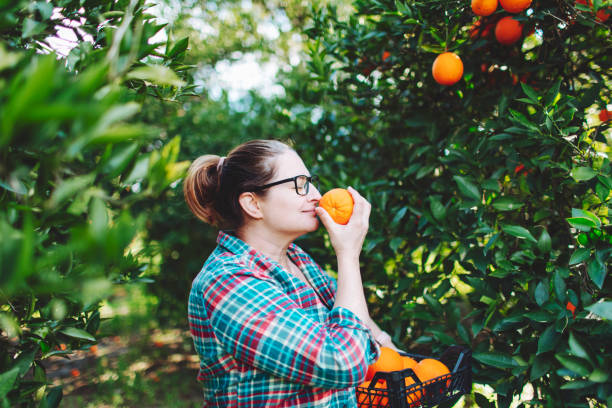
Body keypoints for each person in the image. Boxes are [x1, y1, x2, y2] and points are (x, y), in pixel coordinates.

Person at [183, 139, 400, 407]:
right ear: (253, 204)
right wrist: (348, 254)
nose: (317, 195)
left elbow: (353, 322)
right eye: (300, 184)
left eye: (311, 181)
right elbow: (341, 363)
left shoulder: (296, 259)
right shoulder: (226, 282)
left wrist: (396, 355)